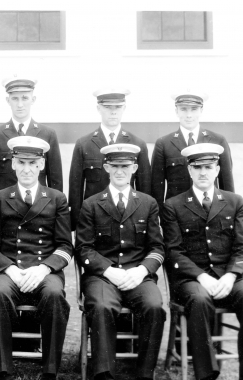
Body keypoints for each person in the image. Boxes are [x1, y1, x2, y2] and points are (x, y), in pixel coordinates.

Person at [0, 136, 73, 380]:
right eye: (21, 162)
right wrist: (10, 269)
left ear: (42, 165)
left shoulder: (56, 198)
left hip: (43, 271)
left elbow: (65, 246)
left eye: (33, 163)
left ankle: (50, 370)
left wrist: (44, 269)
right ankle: (4, 370)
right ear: (13, 164)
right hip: (10, 271)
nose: (27, 169)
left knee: (55, 295)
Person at [75, 143, 165, 380]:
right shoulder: (92, 204)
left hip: (138, 275)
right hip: (102, 277)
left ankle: (145, 373)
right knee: (103, 307)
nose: (120, 171)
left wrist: (142, 270)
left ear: (134, 167)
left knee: (154, 306)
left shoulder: (148, 203)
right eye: (115, 166)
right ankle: (104, 374)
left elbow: (157, 247)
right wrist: (108, 270)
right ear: (106, 167)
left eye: (125, 166)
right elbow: (84, 248)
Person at [162, 143, 243, 380]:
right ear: (189, 171)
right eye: (197, 168)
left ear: (218, 169)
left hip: (229, 277)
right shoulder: (173, 205)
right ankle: (207, 374)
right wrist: (201, 276)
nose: (203, 172)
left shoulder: (235, 202)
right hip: (191, 279)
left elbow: (241, 246)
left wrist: (231, 275)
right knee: (198, 300)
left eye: (209, 167)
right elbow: (174, 252)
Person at [0, 75, 63, 222]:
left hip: (40, 210)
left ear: (33, 100)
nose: (20, 104)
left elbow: (56, 181)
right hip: (6, 211)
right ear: (7, 101)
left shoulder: (47, 134)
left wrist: (57, 215)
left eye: (24, 98)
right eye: (15, 98)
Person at [68, 89, 151, 231]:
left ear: (124, 108)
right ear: (98, 108)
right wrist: (76, 226)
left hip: (128, 219)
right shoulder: (83, 144)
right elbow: (75, 190)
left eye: (118, 107)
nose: (113, 112)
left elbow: (145, 189)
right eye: (107, 107)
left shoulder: (137, 144)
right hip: (94, 220)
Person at [151, 90, 234, 216]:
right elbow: (157, 187)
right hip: (176, 214)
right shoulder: (163, 143)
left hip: (211, 212)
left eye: (194, 109)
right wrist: (161, 219)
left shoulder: (218, 140)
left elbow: (226, 183)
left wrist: (229, 214)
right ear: (176, 111)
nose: (189, 115)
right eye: (183, 109)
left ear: (201, 110)